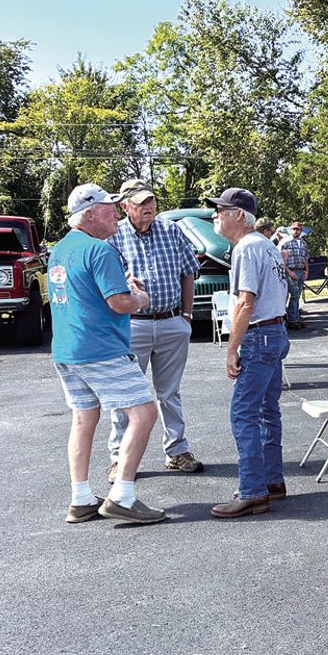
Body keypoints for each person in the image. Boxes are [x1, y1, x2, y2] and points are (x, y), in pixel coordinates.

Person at [48, 183, 165, 525]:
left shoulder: (60, 250)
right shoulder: (100, 251)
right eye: (109, 207)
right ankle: (123, 496)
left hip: (67, 350)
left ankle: (81, 498)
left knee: (84, 418)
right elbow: (119, 303)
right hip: (100, 349)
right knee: (144, 414)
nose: (116, 212)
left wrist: (120, 286)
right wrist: (140, 299)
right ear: (89, 214)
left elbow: (82, 292)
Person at [107, 178, 203, 481]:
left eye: (151, 202)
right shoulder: (113, 236)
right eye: (140, 203)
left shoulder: (171, 230)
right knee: (125, 395)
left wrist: (186, 317)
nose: (148, 208)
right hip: (131, 325)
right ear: (125, 207)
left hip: (171, 321)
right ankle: (120, 458)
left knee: (170, 392)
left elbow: (189, 272)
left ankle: (177, 451)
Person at [208, 187, 290, 519]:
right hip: (276, 331)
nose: (215, 216)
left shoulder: (246, 248)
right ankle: (271, 481)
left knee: (243, 414)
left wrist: (231, 348)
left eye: (221, 210)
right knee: (268, 411)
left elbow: (245, 302)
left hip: (260, 337)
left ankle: (253, 491)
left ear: (239, 216)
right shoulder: (267, 246)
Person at [281, 221, 309, 330]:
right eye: (293, 229)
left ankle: (296, 318)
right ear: (290, 230)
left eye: (297, 229)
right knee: (294, 295)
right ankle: (292, 320)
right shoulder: (286, 243)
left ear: (301, 231)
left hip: (301, 271)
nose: (295, 231)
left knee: (297, 296)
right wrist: (289, 271)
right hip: (291, 271)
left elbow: (306, 258)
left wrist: (307, 271)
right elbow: (282, 260)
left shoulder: (303, 243)